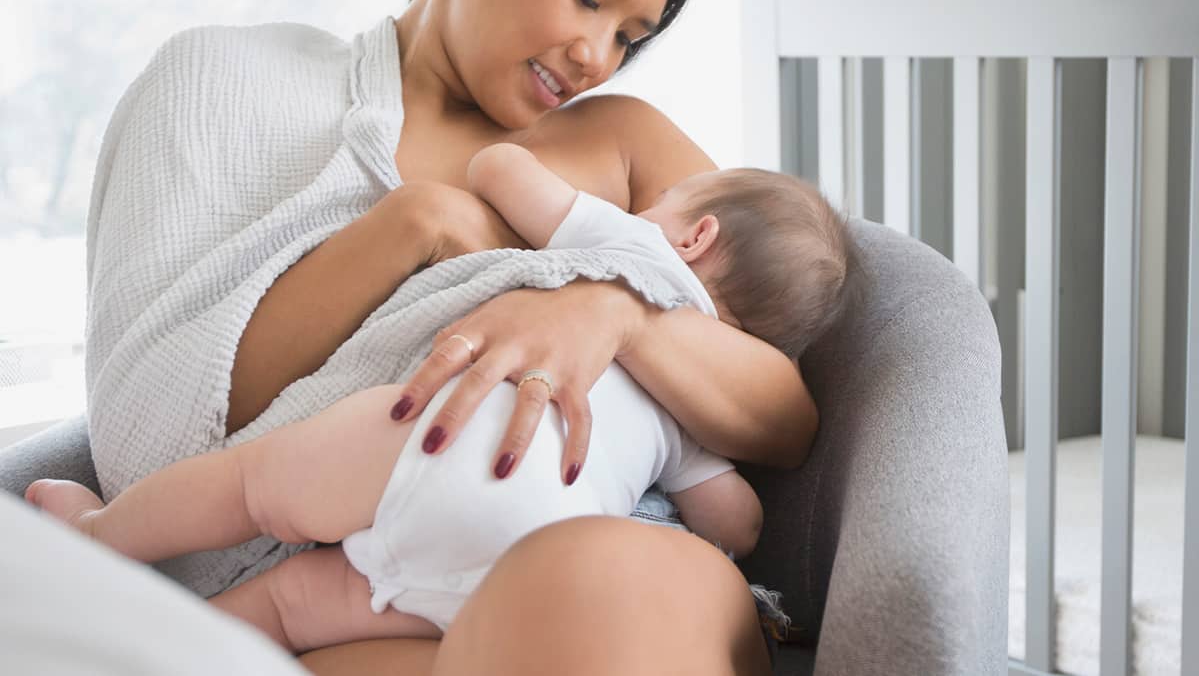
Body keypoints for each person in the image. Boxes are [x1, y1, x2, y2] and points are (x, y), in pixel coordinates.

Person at [4, 0, 822, 675]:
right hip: (353, 599)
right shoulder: (228, 84)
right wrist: (415, 225)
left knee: (598, 589)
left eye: (628, 36)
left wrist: (615, 313)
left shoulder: (624, 142)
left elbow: (781, 417)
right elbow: (153, 442)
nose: (596, 56)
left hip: (610, 553)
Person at [27, 142, 854, 658]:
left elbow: (495, 168)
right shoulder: (691, 410)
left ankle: (98, 536)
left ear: (694, 234)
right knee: (288, 611)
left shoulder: (630, 250)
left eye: (668, 203)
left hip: (434, 441)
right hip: (524, 551)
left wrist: (576, 213)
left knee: (249, 482)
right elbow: (736, 522)